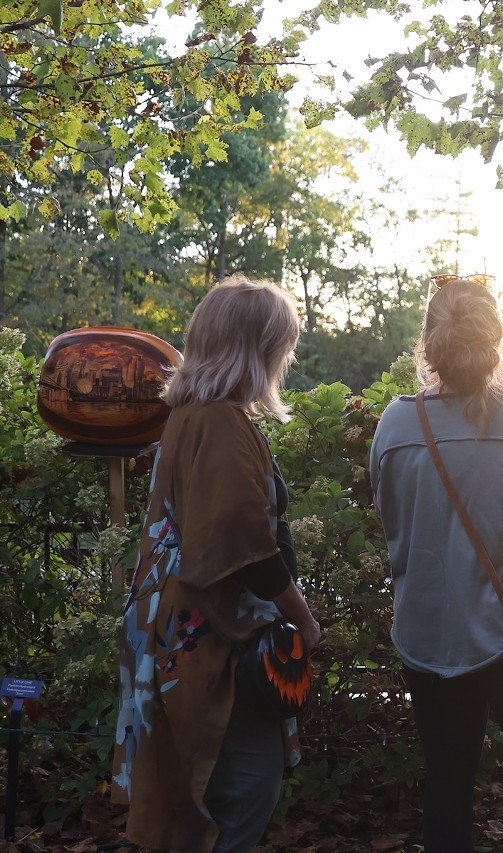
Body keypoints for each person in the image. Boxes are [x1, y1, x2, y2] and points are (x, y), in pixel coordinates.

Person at [369, 274, 503, 853]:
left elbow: (388, 508)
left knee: (447, 787)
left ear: (429, 342)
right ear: (498, 340)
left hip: (428, 634)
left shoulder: (395, 423)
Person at [113, 276, 322, 853]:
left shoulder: (188, 414)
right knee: (243, 790)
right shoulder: (223, 423)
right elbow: (244, 544)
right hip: (214, 641)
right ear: (257, 351)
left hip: (172, 628)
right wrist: (304, 622)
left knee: (198, 797)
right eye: (280, 346)